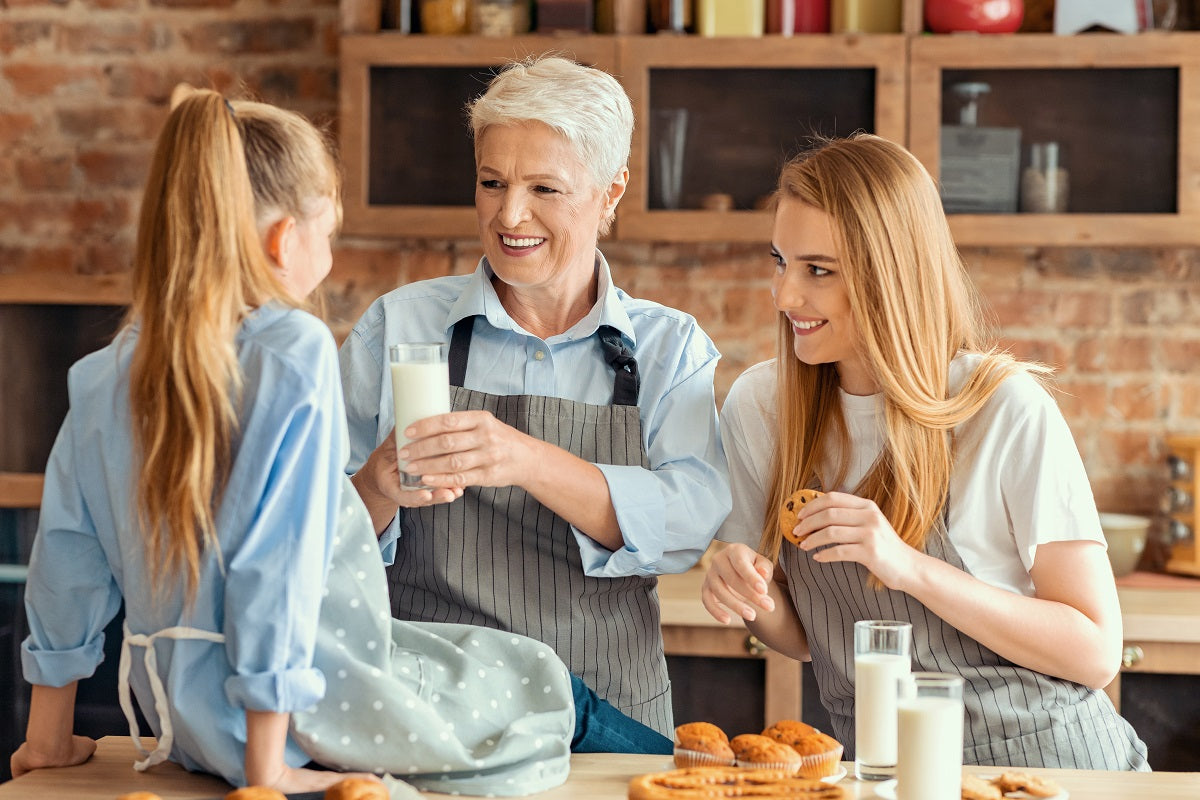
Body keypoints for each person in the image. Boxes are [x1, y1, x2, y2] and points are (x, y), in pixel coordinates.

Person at [12, 88, 628, 797]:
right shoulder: (291, 350)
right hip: (299, 715)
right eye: (328, 233)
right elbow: (279, 568)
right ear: (282, 241)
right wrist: (267, 768)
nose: (330, 256)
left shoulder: (103, 375)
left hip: (182, 722)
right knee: (540, 681)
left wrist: (46, 740)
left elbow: (64, 562)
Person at [702, 133, 1149, 770]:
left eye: (818, 271)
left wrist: (905, 564)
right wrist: (747, 593)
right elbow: (805, 642)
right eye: (780, 261)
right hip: (883, 769)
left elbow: (1096, 651)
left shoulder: (1003, 408)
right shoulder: (761, 407)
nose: (785, 296)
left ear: (892, 275)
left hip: (1046, 765)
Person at [341, 55, 731, 738]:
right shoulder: (399, 325)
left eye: (545, 189)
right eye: (492, 182)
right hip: (428, 713)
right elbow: (308, 532)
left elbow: (686, 526)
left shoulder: (669, 347)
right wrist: (375, 485)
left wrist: (527, 460)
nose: (509, 214)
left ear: (612, 193)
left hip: (610, 720)